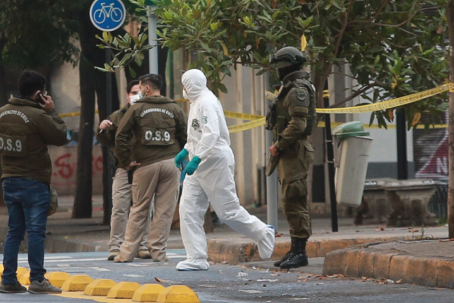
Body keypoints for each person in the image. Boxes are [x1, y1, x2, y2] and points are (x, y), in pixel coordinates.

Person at [175, 69, 275, 271]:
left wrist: (196, 158)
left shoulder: (207, 102)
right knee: (188, 209)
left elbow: (212, 134)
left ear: (191, 85)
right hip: (199, 161)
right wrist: (186, 150)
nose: (183, 89)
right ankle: (196, 257)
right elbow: (197, 133)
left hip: (214, 161)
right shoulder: (196, 102)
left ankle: (263, 232)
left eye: (185, 85)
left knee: (227, 211)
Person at [0, 70, 69, 294]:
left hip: (9, 180)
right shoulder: (39, 116)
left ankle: (9, 279)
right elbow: (61, 136)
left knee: (14, 231)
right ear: (40, 93)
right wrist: (51, 110)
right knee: (35, 232)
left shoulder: (1, 113)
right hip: (34, 180)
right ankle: (38, 279)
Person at [114, 73, 187, 263]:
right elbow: (186, 136)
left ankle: (126, 253)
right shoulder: (174, 108)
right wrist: (180, 158)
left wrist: (126, 161)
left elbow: (120, 136)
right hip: (171, 164)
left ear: (146, 89)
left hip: (144, 165)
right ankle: (158, 252)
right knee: (165, 210)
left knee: (139, 209)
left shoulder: (137, 108)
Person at [266, 47, 317, 269]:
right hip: (290, 150)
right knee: (289, 201)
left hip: (294, 150)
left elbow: (299, 124)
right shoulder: (290, 88)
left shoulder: (298, 90)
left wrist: (279, 144)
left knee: (295, 200)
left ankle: (300, 251)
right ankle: (295, 248)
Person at [96, 79, 152, 261]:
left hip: (144, 168)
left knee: (144, 208)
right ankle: (116, 246)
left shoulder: (150, 114)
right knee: (119, 208)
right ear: (127, 95)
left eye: (140, 92)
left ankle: (142, 245)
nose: (137, 95)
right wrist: (102, 129)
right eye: (134, 92)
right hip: (123, 168)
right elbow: (106, 140)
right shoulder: (118, 116)